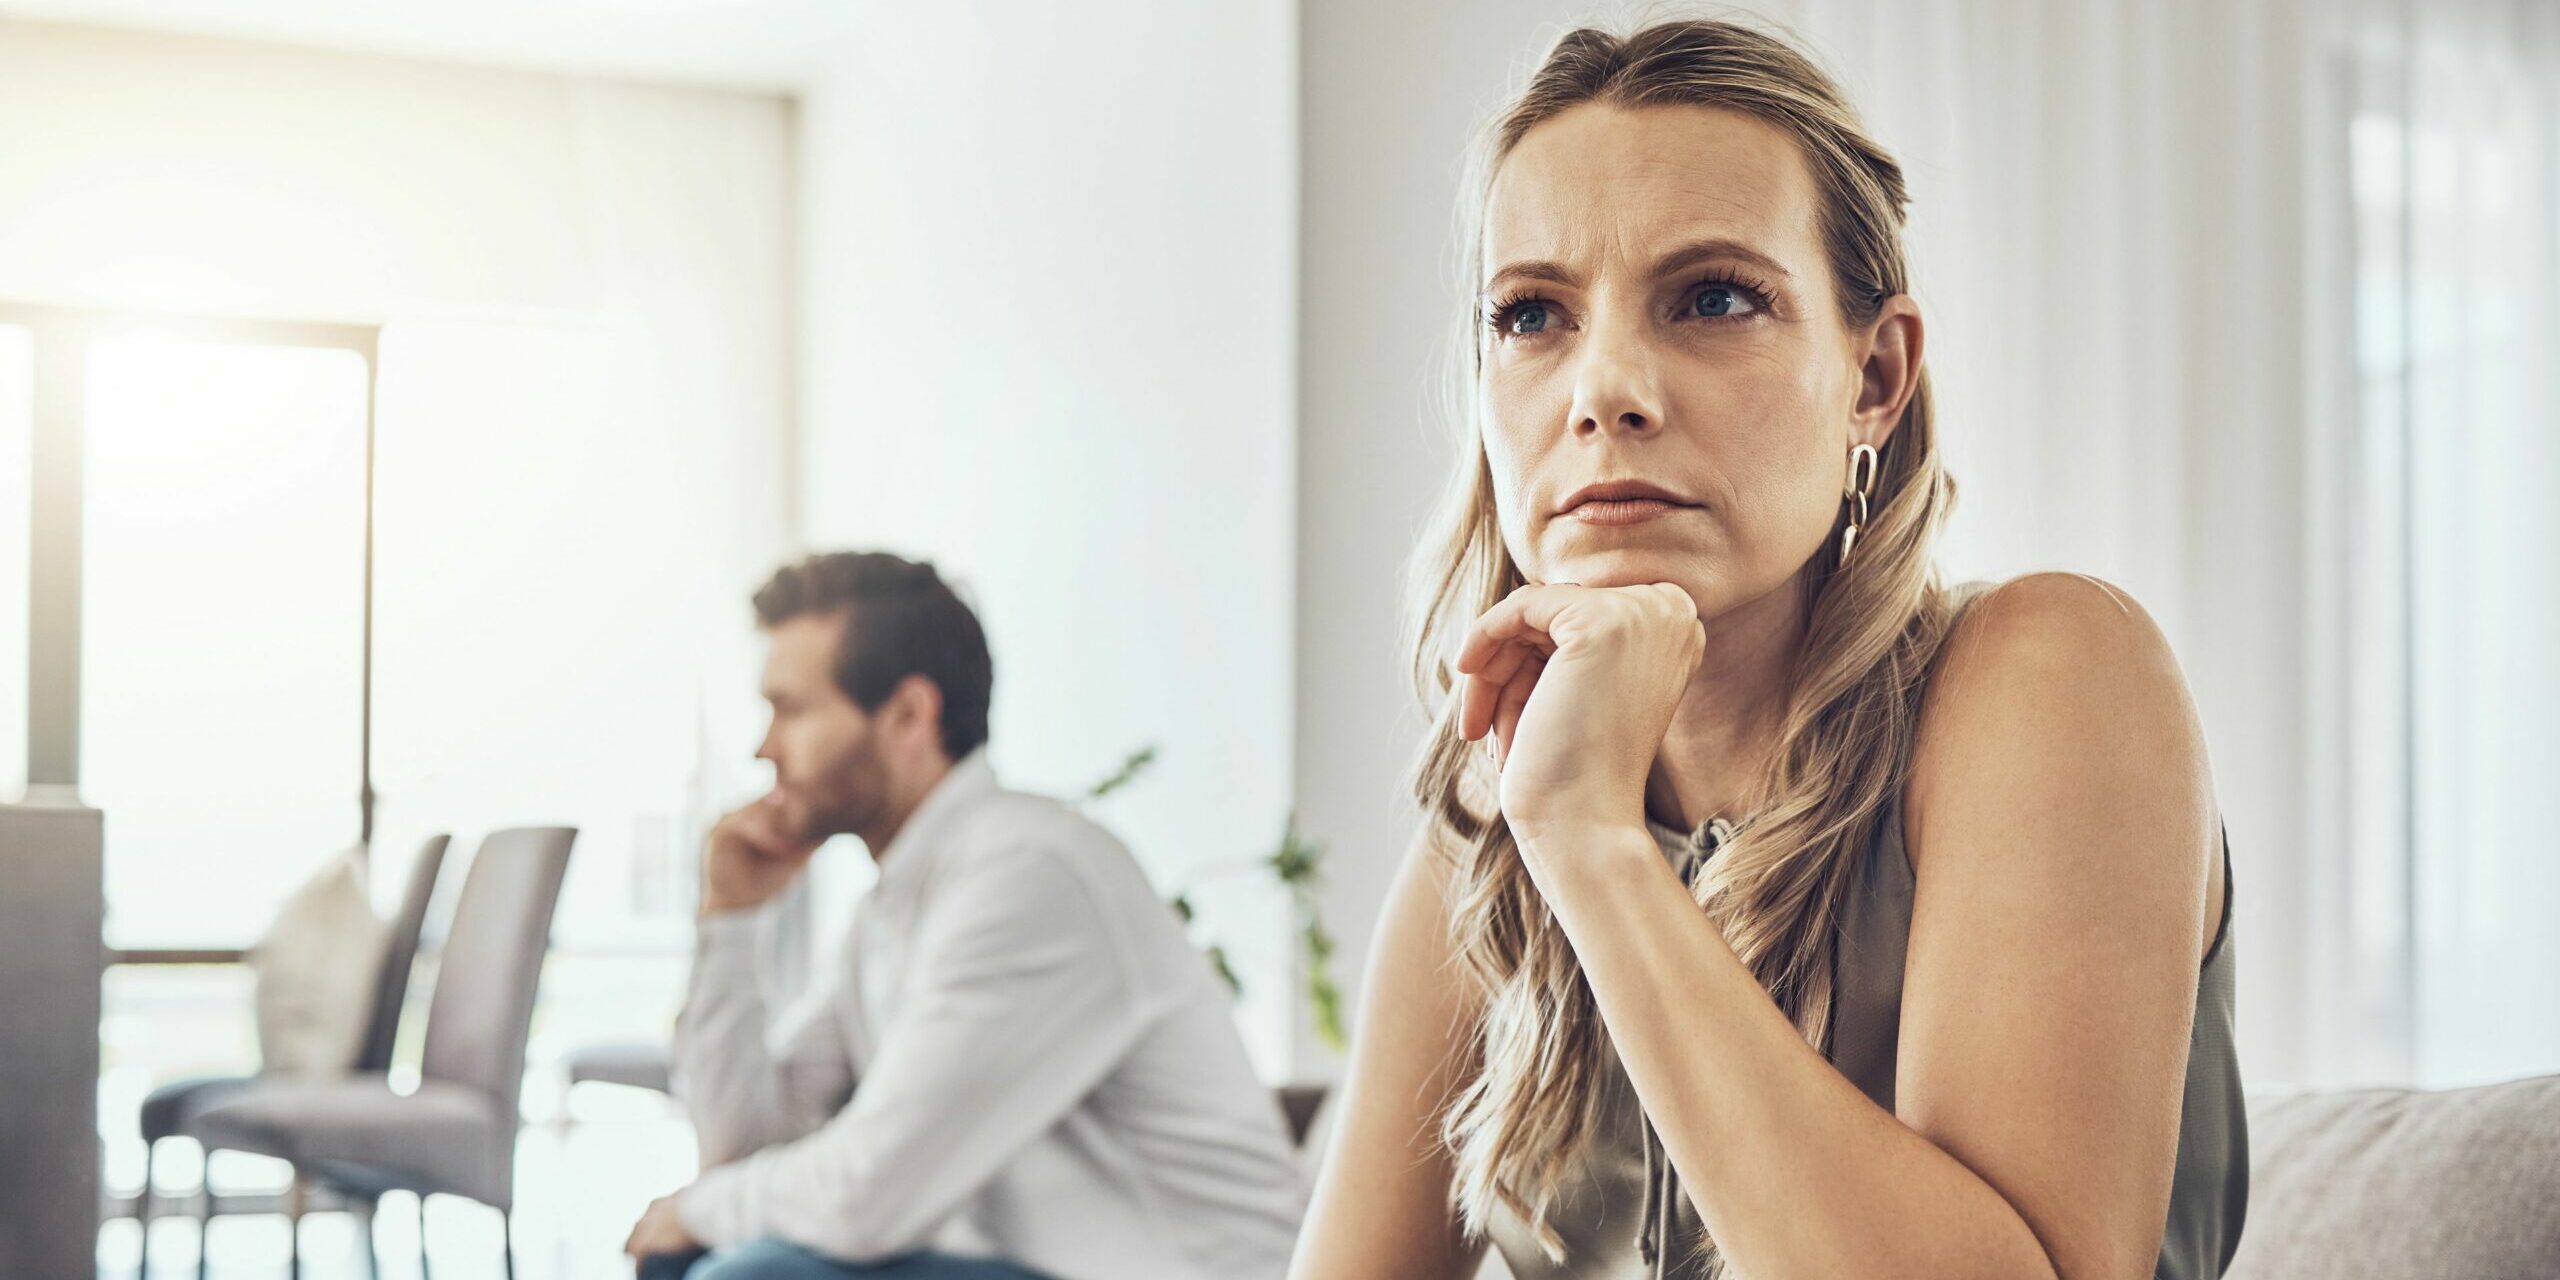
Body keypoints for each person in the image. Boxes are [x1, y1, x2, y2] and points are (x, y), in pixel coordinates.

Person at [1291, 19, 2244, 1280]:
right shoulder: (1491, 814)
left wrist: (1594, 844)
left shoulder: (2048, 675)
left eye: (1715, 298)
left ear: (1875, 374)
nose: (1604, 387)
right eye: (1532, 314)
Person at [626, 551, 1305, 1280]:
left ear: (910, 716)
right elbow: (745, 1151)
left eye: (790, 710)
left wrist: (696, 1208)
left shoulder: (1029, 876)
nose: (765, 749)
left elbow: (868, 1194)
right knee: (695, 1258)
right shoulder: (894, 906)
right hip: (1010, 1264)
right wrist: (730, 922)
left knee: (741, 1275)